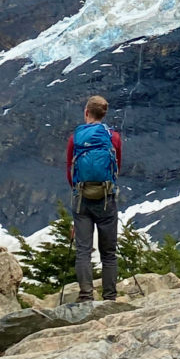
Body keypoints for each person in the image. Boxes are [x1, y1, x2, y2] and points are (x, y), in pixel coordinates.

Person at [66, 95, 122, 301]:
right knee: (108, 252)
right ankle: (110, 297)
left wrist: (78, 189)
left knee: (83, 250)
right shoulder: (113, 137)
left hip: (82, 198)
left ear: (86, 112)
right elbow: (117, 166)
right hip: (106, 197)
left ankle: (86, 295)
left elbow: (69, 169)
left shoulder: (76, 137)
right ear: (104, 114)